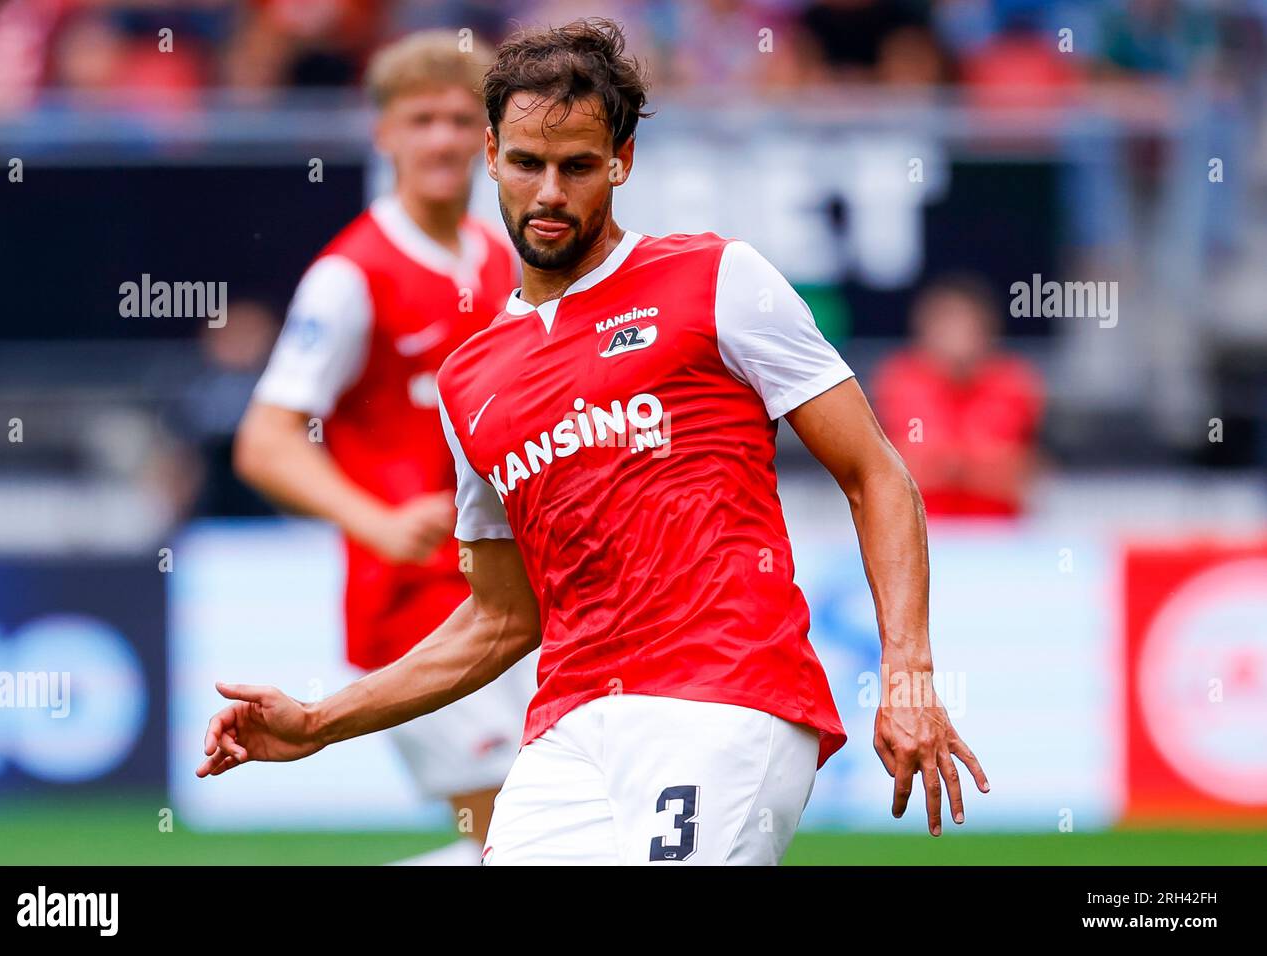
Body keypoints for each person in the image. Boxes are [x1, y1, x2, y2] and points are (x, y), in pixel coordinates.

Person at [202, 17, 988, 866]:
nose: (549, 193)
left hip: (723, 701)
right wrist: (320, 721)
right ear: (493, 153)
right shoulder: (472, 379)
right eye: (528, 164)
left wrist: (908, 678)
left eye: (577, 166)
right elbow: (502, 617)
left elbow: (876, 473)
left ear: (620, 162)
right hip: (566, 731)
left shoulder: (716, 280)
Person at [231, 30, 530, 866]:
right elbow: (265, 440)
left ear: (488, 139)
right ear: (385, 134)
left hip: (513, 595)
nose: (439, 138)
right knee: (514, 837)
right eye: (419, 118)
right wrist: (378, 520)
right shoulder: (352, 275)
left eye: (458, 119)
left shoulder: (498, 258)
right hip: (417, 605)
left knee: (541, 839)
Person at [873, 274, 1045, 517]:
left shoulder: (1014, 380)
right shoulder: (899, 379)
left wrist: (945, 465)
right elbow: (892, 469)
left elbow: (1026, 474)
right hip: (922, 533)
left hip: (999, 538)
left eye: (965, 327)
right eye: (945, 326)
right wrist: (979, 465)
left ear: (986, 331)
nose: (955, 338)